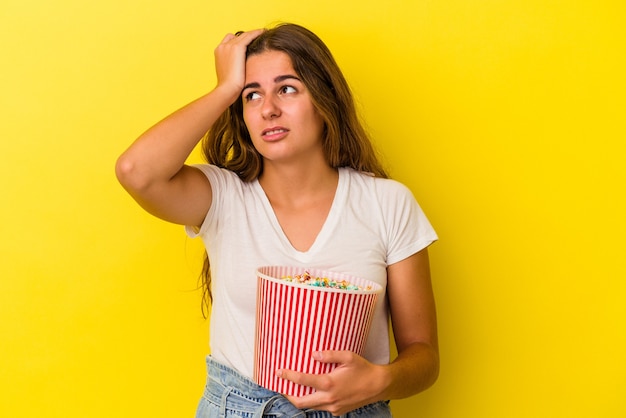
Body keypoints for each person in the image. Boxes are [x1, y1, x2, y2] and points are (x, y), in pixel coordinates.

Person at [116, 22, 439, 417]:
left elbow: (423, 356)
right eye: (252, 95)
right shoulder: (223, 198)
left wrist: (379, 381)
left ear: (324, 100)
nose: (268, 109)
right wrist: (224, 89)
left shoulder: (387, 203)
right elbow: (136, 171)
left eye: (287, 88)